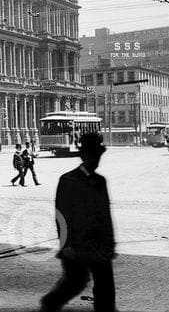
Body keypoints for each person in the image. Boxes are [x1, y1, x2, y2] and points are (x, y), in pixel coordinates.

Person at [40, 132, 115, 312]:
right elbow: (61, 216)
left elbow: (105, 215)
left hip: (99, 246)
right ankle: (49, 305)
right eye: (93, 155)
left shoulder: (100, 181)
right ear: (84, 156)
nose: (96, 160)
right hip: (76, 246)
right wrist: (66, 245)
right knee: (75, 283)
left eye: (98, 156)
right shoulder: (68, 181)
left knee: (106, 288)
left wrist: (110, 243)